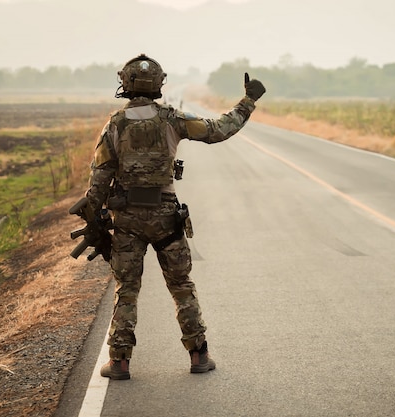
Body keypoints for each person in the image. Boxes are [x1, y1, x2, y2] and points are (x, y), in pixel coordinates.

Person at [84, 54, 266, 380]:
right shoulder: (173, 119)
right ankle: (199, 356)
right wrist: (248, 100)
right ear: (158, 84)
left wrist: (95, 219)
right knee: (181, 286)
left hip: (127, 221)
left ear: (124, 84)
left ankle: (120, 362)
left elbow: (97, 182)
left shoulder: (113, 125)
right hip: (167, 218)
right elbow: (219, 129)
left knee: (127, 289)